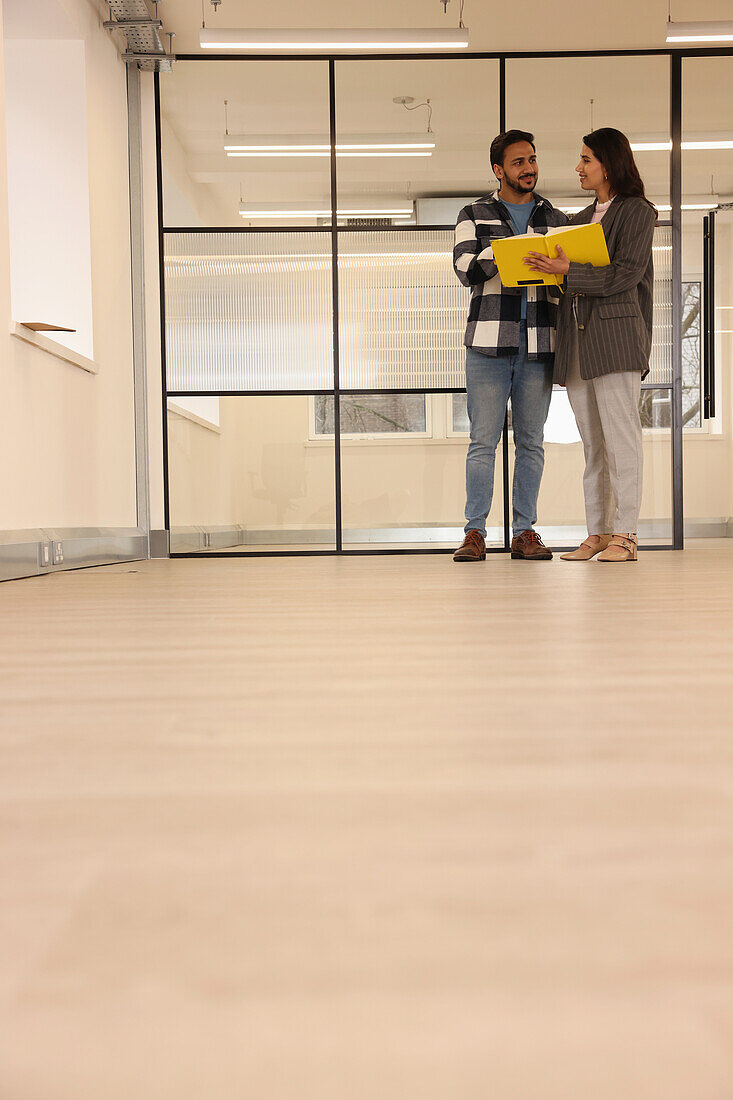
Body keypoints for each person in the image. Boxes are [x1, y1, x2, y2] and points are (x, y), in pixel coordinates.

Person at [525, 127, 655, 563]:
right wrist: (547, 268)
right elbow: (569, 281)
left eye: (586, 160)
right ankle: (598, 531)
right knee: (593, 444)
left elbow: (626, 275)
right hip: (578, 342)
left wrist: (568, 272)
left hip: (616, 341)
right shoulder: (579, 221)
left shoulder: (637, 212)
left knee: (622, 440)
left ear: (609, 163)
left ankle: (627, 533)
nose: (578, 168)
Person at [452, 129, 568, 563]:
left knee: (532, 442)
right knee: (483, 441)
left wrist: (559, 268)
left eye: (532, 159)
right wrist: (505, 253)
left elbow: (571, 276)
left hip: (539, 342)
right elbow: (465, 269)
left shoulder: (555, 218)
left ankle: (524, 531)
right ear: (499, 170)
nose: (529, 168)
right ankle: (474, 532)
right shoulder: (474, 212)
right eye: (519, 162)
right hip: (487, 344)